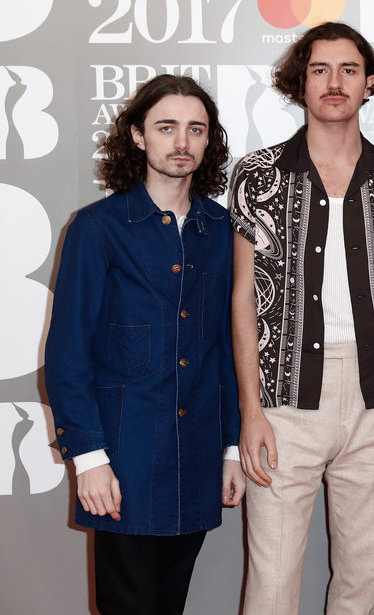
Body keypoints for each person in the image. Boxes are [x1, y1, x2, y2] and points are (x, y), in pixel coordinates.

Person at [46, 74, 244, 615]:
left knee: (169, 604)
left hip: (197, 456)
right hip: (122, 458)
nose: (182, 141)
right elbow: (68, 355)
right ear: (138, 136)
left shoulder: (221, 230)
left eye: (195, 129)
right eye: (167, 127)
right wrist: (88, 457)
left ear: (208, 142)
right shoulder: (96, 229)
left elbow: (229, 348)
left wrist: (231, 447)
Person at [230, 22, 374, 615]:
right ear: (299, 83)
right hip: (282, 396)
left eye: (349, 70)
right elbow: (241, 296)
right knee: (271, 580)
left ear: (370, 83)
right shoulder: (259, 175)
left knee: (362, 583)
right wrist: (250, 410)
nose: (334, 83)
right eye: (319, 70)